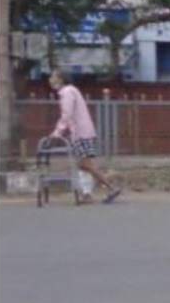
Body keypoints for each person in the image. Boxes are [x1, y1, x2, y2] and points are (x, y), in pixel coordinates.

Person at [47, 69, 121, 204]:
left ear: (61, 79)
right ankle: (88, 194)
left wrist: (57, 132)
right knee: (84, 165)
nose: (50, 79)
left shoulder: (67, 92)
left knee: (85, 164)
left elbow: (67, 114)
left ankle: (111, 187)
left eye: (53, 76)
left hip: (81, 132)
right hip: (82, 131)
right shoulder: (70, 91)